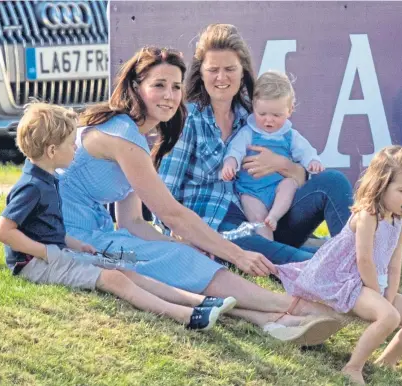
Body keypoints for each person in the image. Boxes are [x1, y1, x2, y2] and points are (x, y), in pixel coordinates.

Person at [56, 45, 344, 344]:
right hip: (74, 240)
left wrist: (178, 244)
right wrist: (236, 254)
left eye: (176, 87)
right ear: (135, 87)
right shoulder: (123, 138)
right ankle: (292, 307)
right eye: (158, 85)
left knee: (178, 256)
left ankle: (272, 321)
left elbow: (132, 222)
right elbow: (171, 214)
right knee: (179, 257)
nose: (169, 95)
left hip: (97, 236)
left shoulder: (132, 135)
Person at [0, 102, 239, 331]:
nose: (76, 147)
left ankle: (200, 303)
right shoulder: (31, 187)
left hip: (55, 253)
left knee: (124, 269)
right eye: (71, 144)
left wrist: (72, 243)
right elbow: (3, 231)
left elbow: (41, 227)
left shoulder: (50, 180)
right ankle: (188, 317)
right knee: (113, 279)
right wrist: (46, 253)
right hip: (33, 265)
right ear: (51, 151)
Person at [158, 24, 353, 265]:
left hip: (271, 217)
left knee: (334, 182)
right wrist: (182, 239)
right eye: (213, 70)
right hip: (220, 227)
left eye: (230, 69)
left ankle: (355, 255)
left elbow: (299, 179)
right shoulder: (188, 121)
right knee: (299, 260)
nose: (221, 77)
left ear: (242, 73)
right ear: (201, 73)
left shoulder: (255, 116)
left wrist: (283, 165)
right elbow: (163, 195)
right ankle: (344, 265)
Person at [276, 146, 402, 384]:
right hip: (349, 279)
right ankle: (352, 367)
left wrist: (389, 296)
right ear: (381, 186)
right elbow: (363, 259)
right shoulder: (368, 215)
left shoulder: (400, 221)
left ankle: (386, 361)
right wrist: (378, 297)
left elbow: (395, 264)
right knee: (388, 318)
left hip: (376, 282)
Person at [222, 71, 324, 240]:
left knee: (290, 184)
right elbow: (235, 150)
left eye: (276, 115)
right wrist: (230, 163)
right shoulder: (248, 133)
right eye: (262, 114)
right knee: (259, 219)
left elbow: (305, 151)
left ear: (290, 110)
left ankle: (275, 216)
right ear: (254, 106)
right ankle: (269, 245)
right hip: (252, 191)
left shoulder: (290, 135)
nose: (268, 120)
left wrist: (313, 161)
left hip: (277, 189)